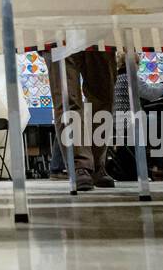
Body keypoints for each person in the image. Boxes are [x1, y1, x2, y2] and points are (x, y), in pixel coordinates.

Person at [49, 48, 117, 192]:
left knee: (104, 96)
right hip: (59, 31)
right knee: (67, 99)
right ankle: (80, 165)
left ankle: (96, 163)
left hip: (100, 31)